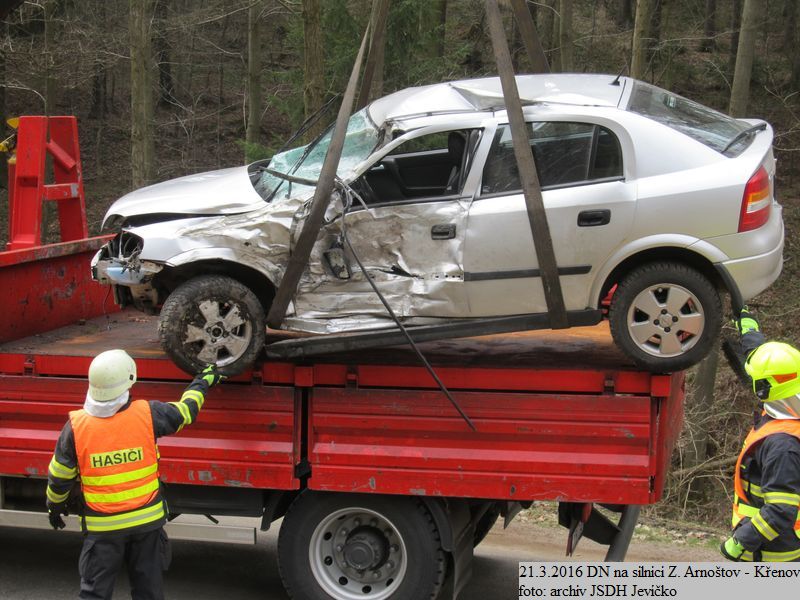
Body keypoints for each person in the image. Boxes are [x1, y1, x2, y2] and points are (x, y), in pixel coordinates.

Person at [45, 349, 223, 599]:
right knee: (148, 592)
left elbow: (59, 477)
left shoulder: (76, 427)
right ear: (128, 382)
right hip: (147, 525)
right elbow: (186, 411)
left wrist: (54, 507)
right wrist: (203, 381)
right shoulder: (148, 414)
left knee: (94, 594)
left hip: (103, 530)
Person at [720, 308, 800, 562]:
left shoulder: (782, 446)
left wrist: (738, 543)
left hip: (772, 554)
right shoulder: (785, 398)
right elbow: (759, 359)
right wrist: (749, 328)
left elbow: (780, 511)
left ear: (764, 389)